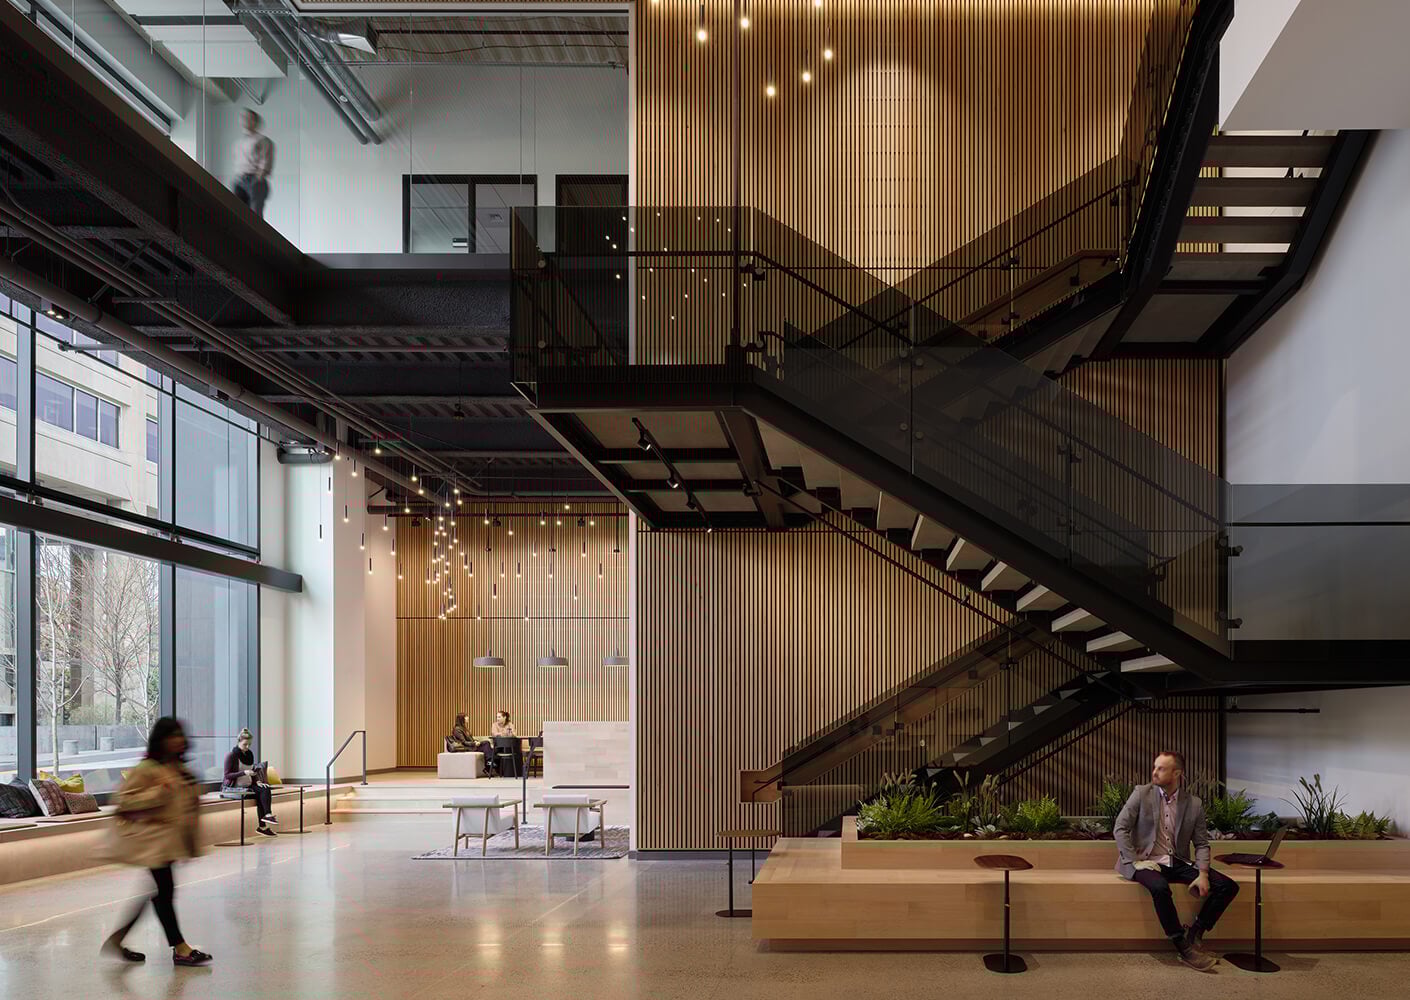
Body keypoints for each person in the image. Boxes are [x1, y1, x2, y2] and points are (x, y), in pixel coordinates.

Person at [1113, 750, 1240, 971]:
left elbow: (1201, 844)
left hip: (1177, 861)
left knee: (1227, 886)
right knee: (1160, 887)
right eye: (1155, 767)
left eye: (1161, 768)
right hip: (1146, 862)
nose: (1154, 772)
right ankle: (1182, 946)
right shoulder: (1141, 794)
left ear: (1177, 773)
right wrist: (1134, 861)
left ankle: (1195, 933)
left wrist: (1202, 874)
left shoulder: (1194, 804)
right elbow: (1120, 828)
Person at [102, 717, 213, 967]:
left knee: (158, 893)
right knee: (164, 892)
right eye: (171, 735)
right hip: (153, 843)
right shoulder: (148, 768)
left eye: (179, 735)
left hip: (168, 844)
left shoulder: (180, 769)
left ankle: (117, 940)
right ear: (161, 740)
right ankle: (181, 949)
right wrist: (159, 791)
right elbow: (123, 801)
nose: (178, 740)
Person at [223, 728, 277, 837]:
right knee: (260, 795)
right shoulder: (231, 756)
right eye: (245, 744)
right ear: (239, 742)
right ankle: (263, 826)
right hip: (233, 788)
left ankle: (267, 816)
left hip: (248, 786)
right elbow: (227, 775)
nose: (247, 747)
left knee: (265, 788)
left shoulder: (249, 755)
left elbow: (252, 771)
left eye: (249, 744)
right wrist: (244, 772)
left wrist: (257, 781)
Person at [231, 109, 274, 218]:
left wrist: (258, 178)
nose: (243, 120)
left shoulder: (263, 140)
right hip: (239, 180)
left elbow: (266, 161)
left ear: (255, 122)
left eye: (247, 117)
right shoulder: (239, 142)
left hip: (254, 180)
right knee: (238, 214)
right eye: (242, 117)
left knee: (255, 217)